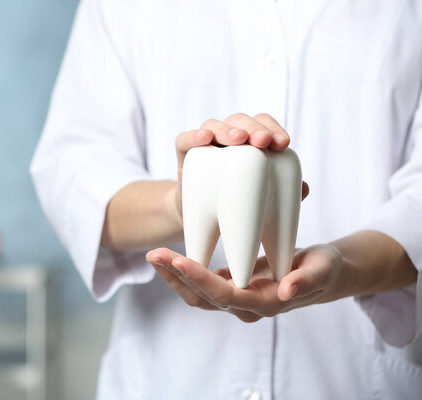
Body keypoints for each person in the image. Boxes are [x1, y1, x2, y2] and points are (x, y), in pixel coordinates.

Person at [31, 1, 422, 398]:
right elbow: (75, 173)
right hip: (169, 377)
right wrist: (181, 205)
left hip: (346, 378)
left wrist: (343, 266)